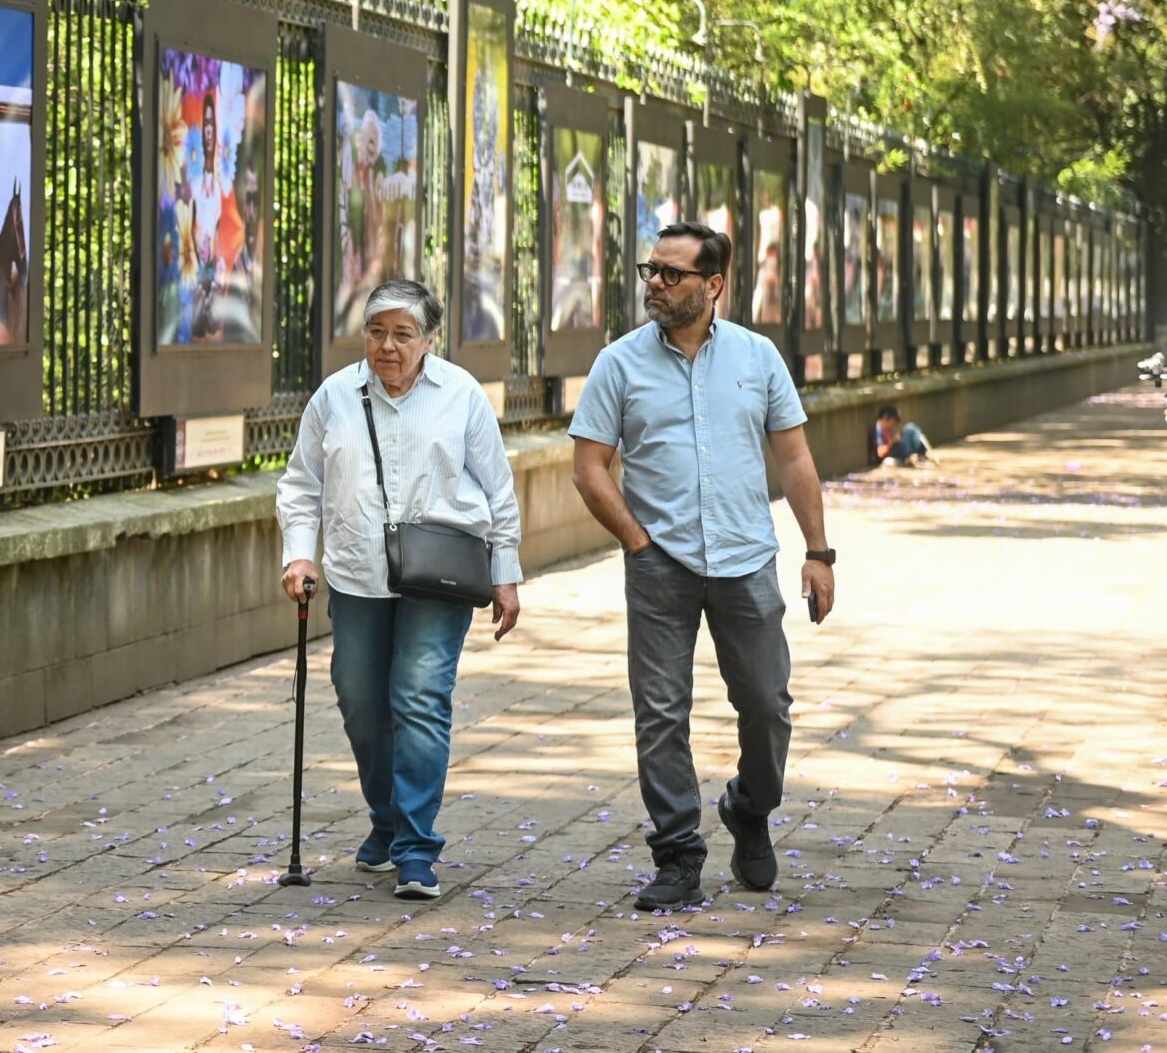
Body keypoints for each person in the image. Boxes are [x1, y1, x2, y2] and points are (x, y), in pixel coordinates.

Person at [569, 224, 836, 912]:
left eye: (672, 274)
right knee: (660, 712)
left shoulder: (757, 356)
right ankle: (678, 853)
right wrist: (636, 541)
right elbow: (589, 467)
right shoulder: (619, 363)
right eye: (651, 270)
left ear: (713, 284)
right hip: (660, 563)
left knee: (767, 704)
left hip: (745, 559)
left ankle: (750, 806)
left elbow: (795, 457)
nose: (655, 284)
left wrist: (818, 552)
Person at [277, 279, 524, 902]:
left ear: (429, 340)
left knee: (418, 696)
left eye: (402, 334)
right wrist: (300, 555)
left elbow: (498, 489)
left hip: (439, 575)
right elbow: (301, 484)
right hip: (357, 574)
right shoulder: (334, 395)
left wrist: (506, 573)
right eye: (376, 331)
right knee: (360, 700)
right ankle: (386, 820)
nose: (387, 345)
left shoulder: (460, 394)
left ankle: (415, 847)